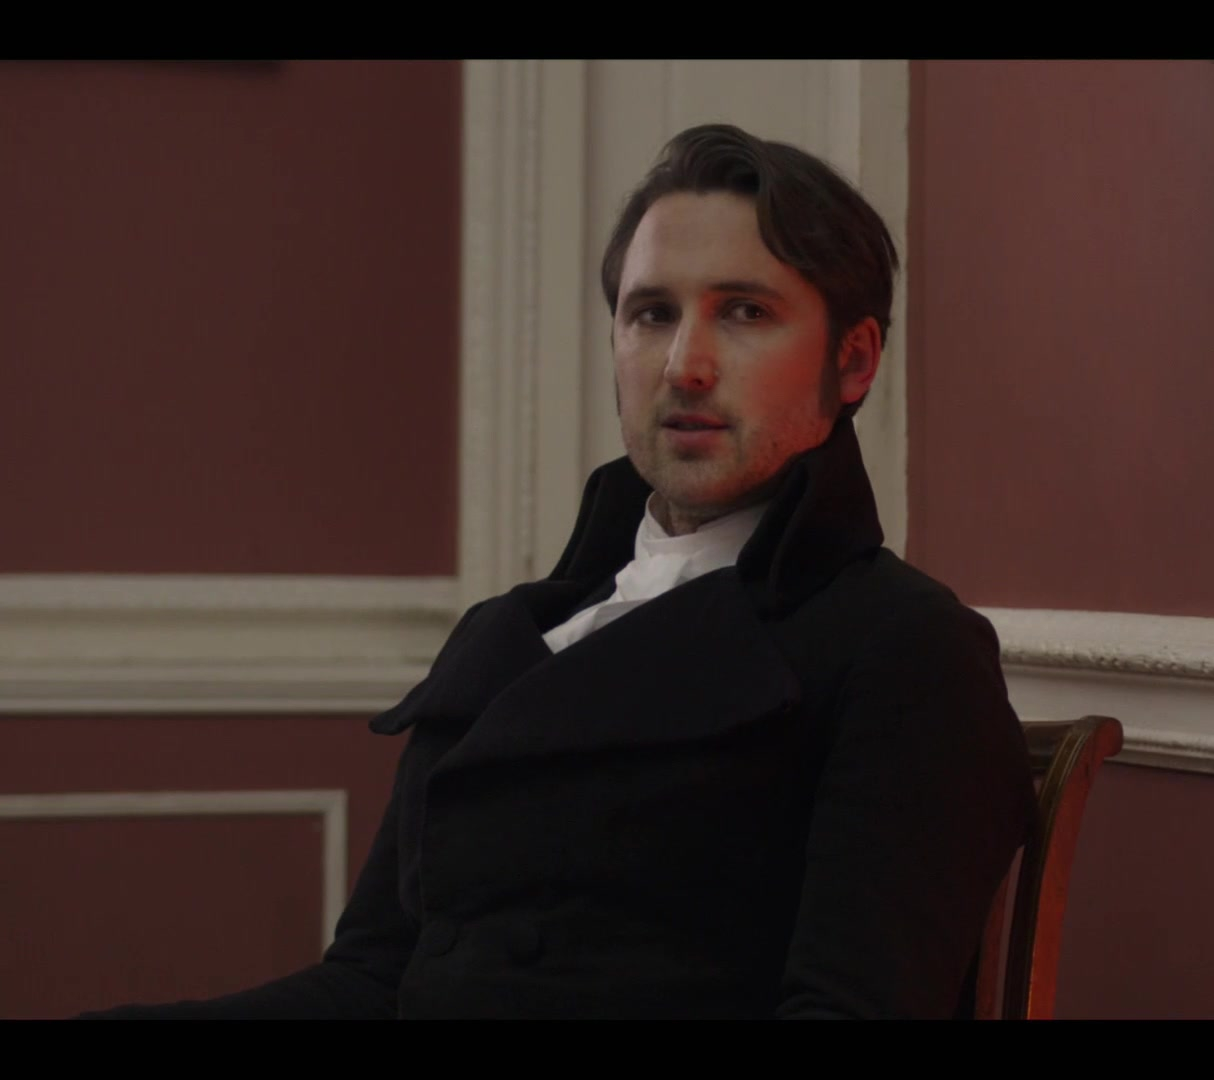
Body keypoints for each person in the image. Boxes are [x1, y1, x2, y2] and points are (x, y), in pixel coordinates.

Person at [82, 123, 1035, 1019]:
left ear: (853, 362)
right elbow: (371, 982)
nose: (685, 365)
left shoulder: (904, 649)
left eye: (744, 312)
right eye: (652, 314)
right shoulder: (515, 634)